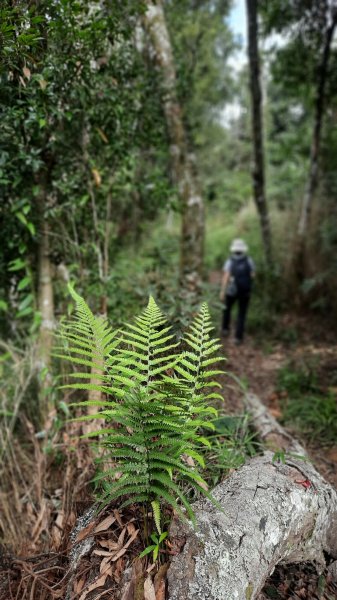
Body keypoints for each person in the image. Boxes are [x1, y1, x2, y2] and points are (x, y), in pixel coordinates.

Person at [219, 238, 255, 344]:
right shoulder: (248, 260)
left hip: (231, 291)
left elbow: (226, 277)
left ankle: (225, 329)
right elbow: (253, 275)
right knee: (241, 314)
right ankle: (238, 338)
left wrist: (222, 291)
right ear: (243, 250)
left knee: (227, 309)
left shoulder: (230, 261)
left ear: (233, 250)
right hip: (245, 291)